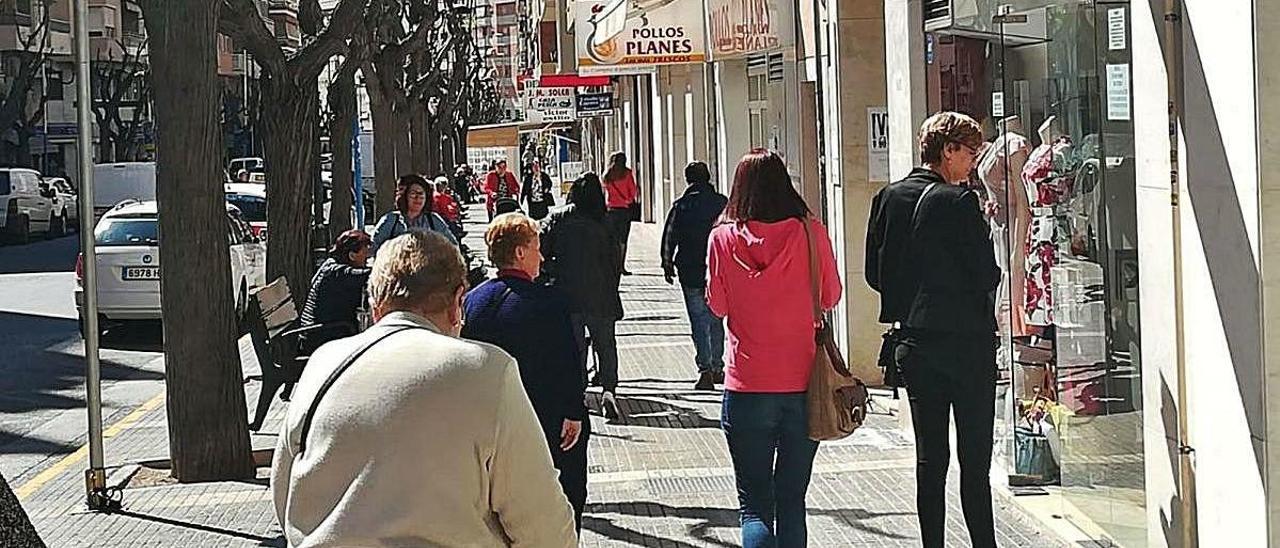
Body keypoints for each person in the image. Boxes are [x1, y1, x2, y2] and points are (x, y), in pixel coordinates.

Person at [271, 231, 578, 547]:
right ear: (458, 303)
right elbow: (545, 525)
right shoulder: (487, 368)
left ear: (376, 305)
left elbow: (283, 494)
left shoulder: (324, 362)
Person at [864, 111, 1001, 548]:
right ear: (948, 151)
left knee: (930, 458)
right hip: (966, 345)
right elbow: (986, 273)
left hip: (915, 344)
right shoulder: (958, 201)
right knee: (973, 461)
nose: (973, 163)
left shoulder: (887, 197)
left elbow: (873, 272)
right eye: (970, 153)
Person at [706, 149, 842, 548]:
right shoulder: (810, 232)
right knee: (791, 501)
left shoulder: (721, 237)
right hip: (805, 385)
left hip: (746, 384)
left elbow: (717, 305)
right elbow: (831, 295)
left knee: (754, 506)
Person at [461, 213, 589, 529]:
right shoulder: (548, 301)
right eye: (536, 247)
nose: (541, 256)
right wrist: (573, 411)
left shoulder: (472, 301)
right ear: (520, 252)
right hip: (542, 414)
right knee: (564, 486)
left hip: (486, 418)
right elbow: (569, 360)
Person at [541, 173, 624, 421]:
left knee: (574, 346)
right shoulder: (605, 220)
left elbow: (543, 251)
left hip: (567, 293)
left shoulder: (558, 218)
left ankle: (579, 392)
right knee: (606, 345)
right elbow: (615, 260)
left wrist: (553, 272)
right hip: (601, 294)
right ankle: (609, 390)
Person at [661, 161, 728, 391]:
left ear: (688, 180)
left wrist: (667, 263)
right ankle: (718, 366)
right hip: (718, 270)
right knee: (716, 317)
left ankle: (705, 369)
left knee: (698, 320)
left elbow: (669, 235)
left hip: (690, 271)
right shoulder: (722, 203)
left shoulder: (681, 206)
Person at [291, 229, 373, 381]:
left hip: (317, 333)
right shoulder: (336, 272)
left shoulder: (330, 265)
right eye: (365, 254)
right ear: (352, 255)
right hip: (320, 338)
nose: (368, 259)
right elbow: (364, 275)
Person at [371, 174, 458, 253]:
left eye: (421, 194)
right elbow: (374, 247)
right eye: (413, 194)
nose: (418, 198)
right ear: (404, 196)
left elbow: (452, 245)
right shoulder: (391, 220)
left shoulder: (433, 220)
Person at [602, 152, 639, 275]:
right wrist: (628, 199)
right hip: (624, 210)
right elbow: (633, 191)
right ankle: (621, 266)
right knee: (623, 239)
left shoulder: (607, 175)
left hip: (611, 210)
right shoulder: (627, 173)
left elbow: (605, 190)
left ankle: (612, 264)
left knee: (612, 238)